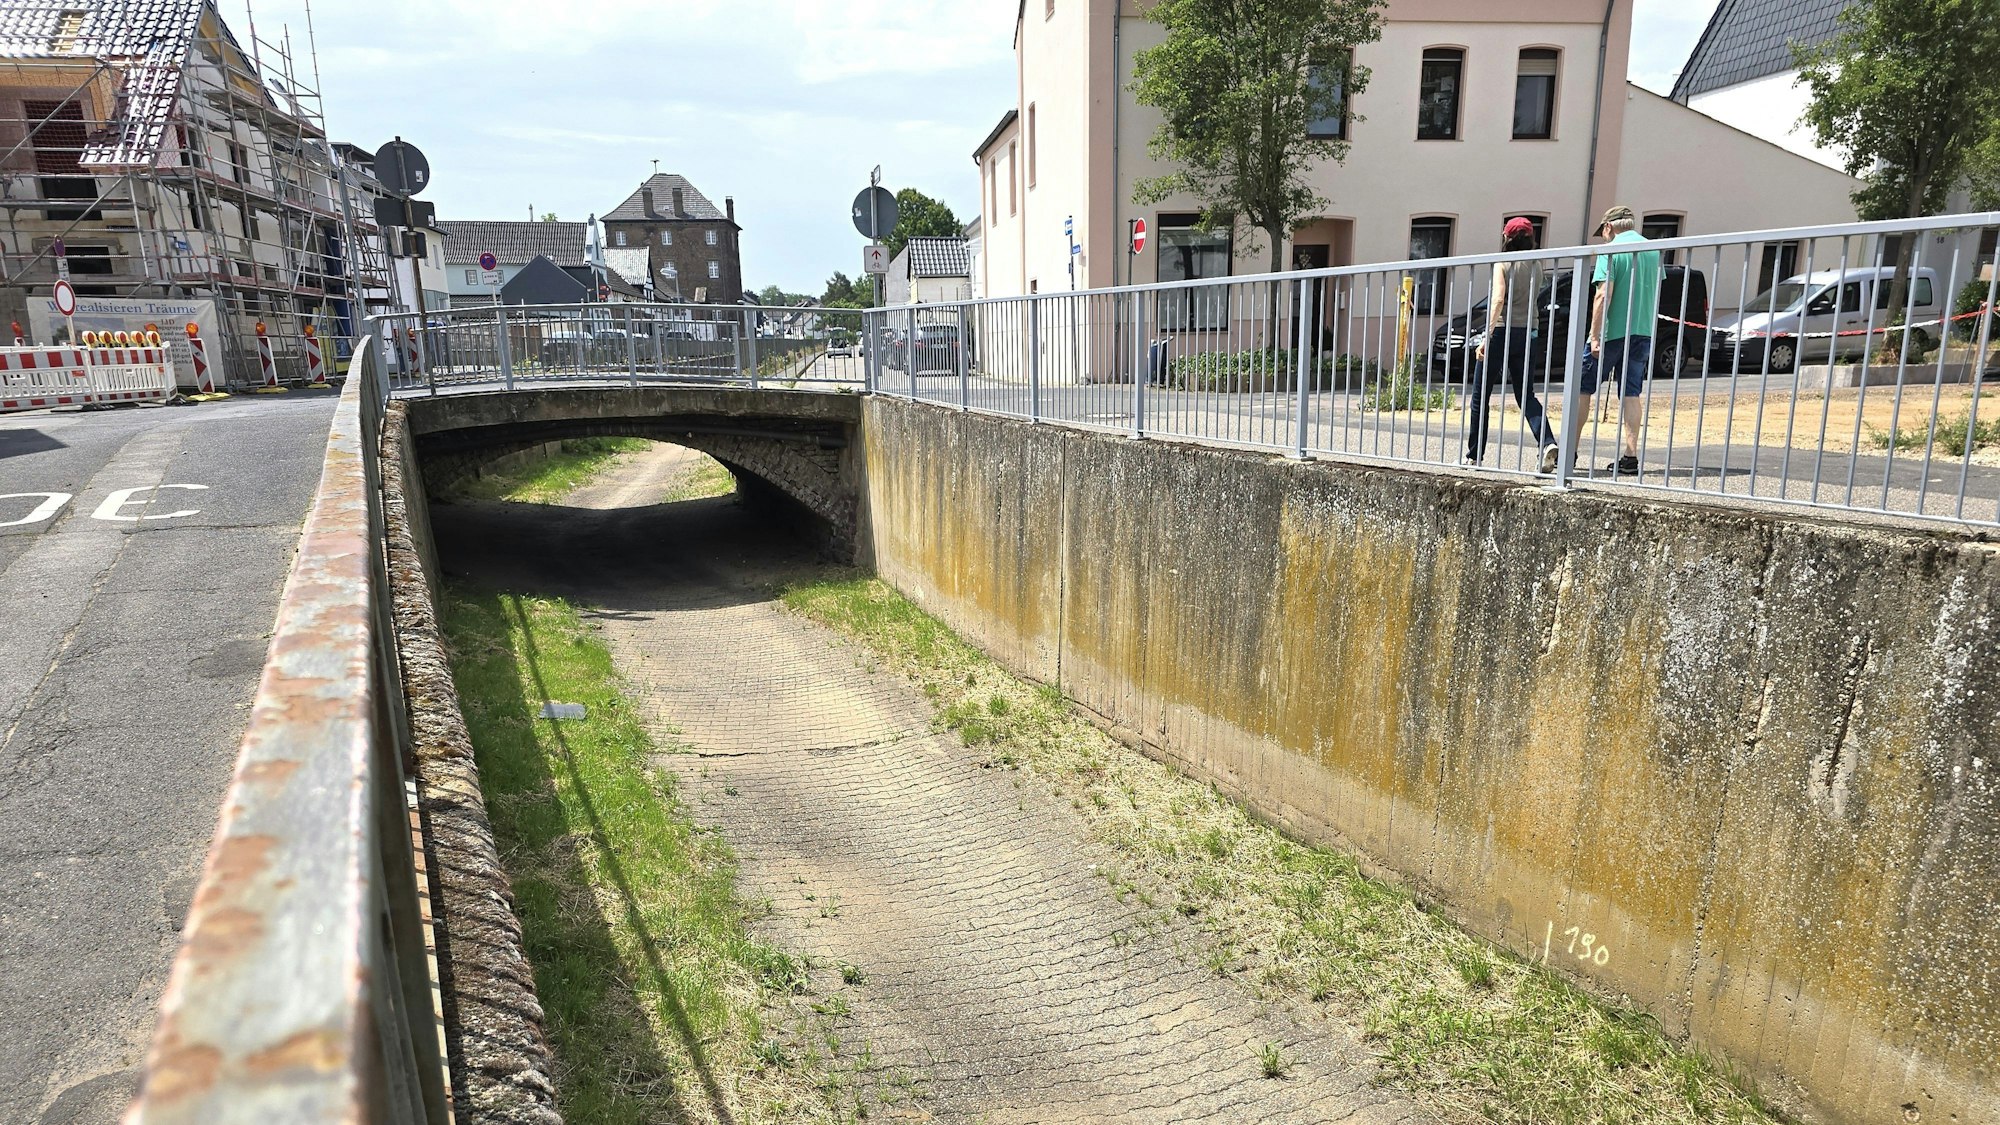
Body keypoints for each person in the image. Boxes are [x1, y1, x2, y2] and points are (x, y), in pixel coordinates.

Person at [1573, 205, 1662, 476]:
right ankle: (1630, 456)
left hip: (1612, 331)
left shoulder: (1611, 251)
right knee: (1632, 392)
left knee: (1582, 388)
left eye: (1603, 232)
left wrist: (1595, 335)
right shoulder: (1653, 250)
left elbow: (1603, 294)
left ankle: (1569, 453)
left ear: (1608, 227)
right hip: (1643, 328)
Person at [1464, 217, 1558, 472]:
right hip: (1529, 331)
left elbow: (1497, 299)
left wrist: (1486, 335)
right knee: (1525, 394)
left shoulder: (1503, 263)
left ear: (1507, 238)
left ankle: (1474, 455)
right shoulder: (1537, 264)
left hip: (1503, 329)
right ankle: (1547, 442)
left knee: (1480, 394)